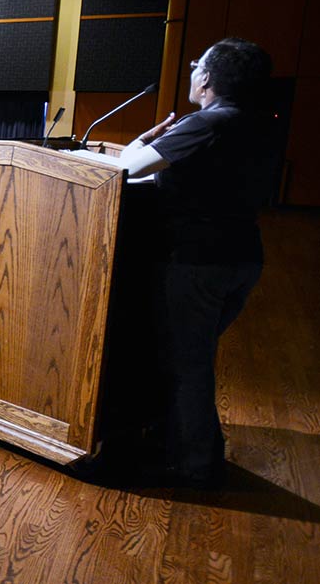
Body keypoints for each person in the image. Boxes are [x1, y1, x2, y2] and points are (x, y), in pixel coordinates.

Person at [106, 37, 278, 487]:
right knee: (191, 355)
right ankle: (171, 440)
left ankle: (196, 466)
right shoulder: (259, 123)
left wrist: (137, 144)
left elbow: (130, 168)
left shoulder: (207, 122)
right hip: (243, 258)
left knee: (188, 363)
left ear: (207, 79)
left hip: (199, 261)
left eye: (196, 65)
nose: (192, 70)